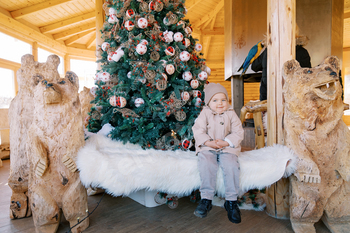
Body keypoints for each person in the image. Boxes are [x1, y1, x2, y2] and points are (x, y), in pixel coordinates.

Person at [192, 83, 244, 224]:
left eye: (223, 100)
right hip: (208, 146)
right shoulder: (205, 113)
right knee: (207, 163)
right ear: (209, 103)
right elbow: (198, 130)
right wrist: (208, 142)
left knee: (231, 165)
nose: (220, 103)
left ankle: (231, 202)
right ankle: (206, 199)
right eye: (215, 100)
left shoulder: (231, 113)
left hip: (226, 147)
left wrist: (227, 142)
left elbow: (238, 132)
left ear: (227, 101)